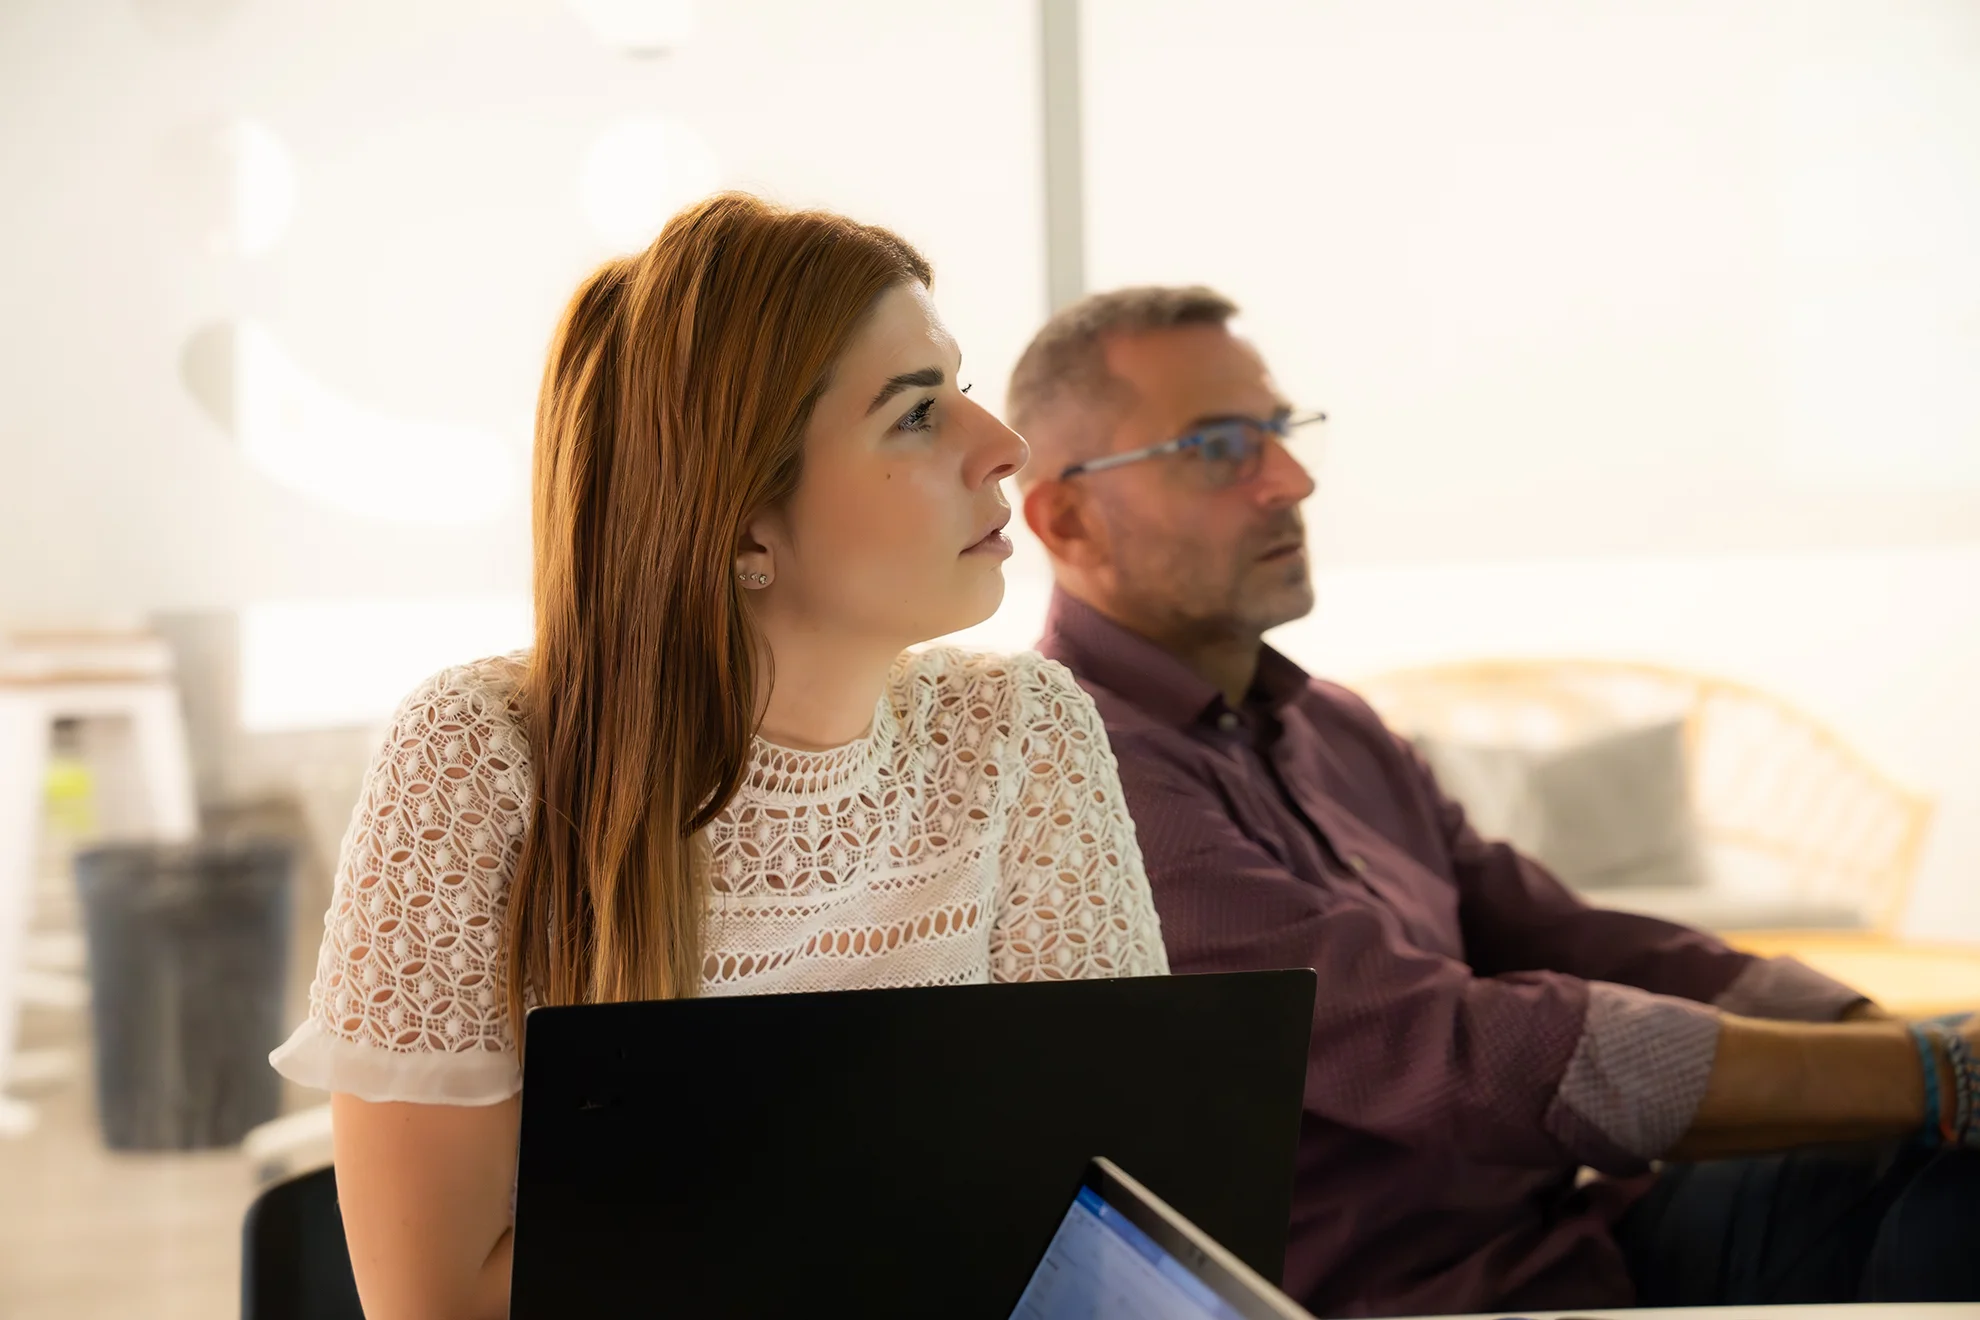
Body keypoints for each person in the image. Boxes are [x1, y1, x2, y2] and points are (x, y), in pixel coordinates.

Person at [270, 196, 1168, 1320]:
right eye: (915, 413)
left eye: (961, 388)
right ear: (743, 519)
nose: (1004, 446)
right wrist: (926, 1205)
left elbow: (1113, 1221)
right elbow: (439, 1304)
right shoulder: (480, 756)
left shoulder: (1022, 729)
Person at [1010, 284, 1980, 1317]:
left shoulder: (1331, 724)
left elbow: (1572, 936)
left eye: (1282, 430)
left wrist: (1881, 1031)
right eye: (1219, 448)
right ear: (1069, 518)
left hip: (1577, 1242)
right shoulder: (1085, 777)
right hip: (1436, 1300)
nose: (1290, 479)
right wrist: (1934, 1075)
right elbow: (1454, 1047)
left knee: (1945, 1166)